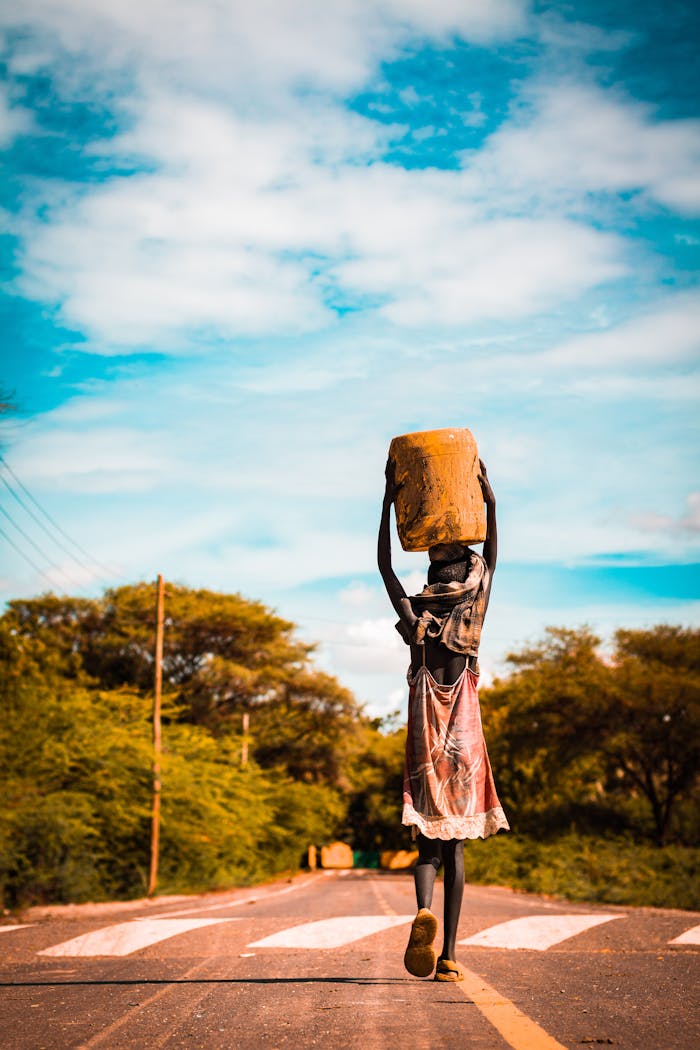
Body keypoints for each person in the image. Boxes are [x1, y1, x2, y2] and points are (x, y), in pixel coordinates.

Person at [377, 455, 509, 982]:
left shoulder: (417, 618)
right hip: (464, 737)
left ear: (431, 577)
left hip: (424, 733)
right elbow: (493, 559)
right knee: (455, 848)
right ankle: (451, 954)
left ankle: (421, 911)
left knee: (426, 844)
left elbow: (385, 567)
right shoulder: (473, 608)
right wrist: (489, 500)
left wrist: (389, 501)